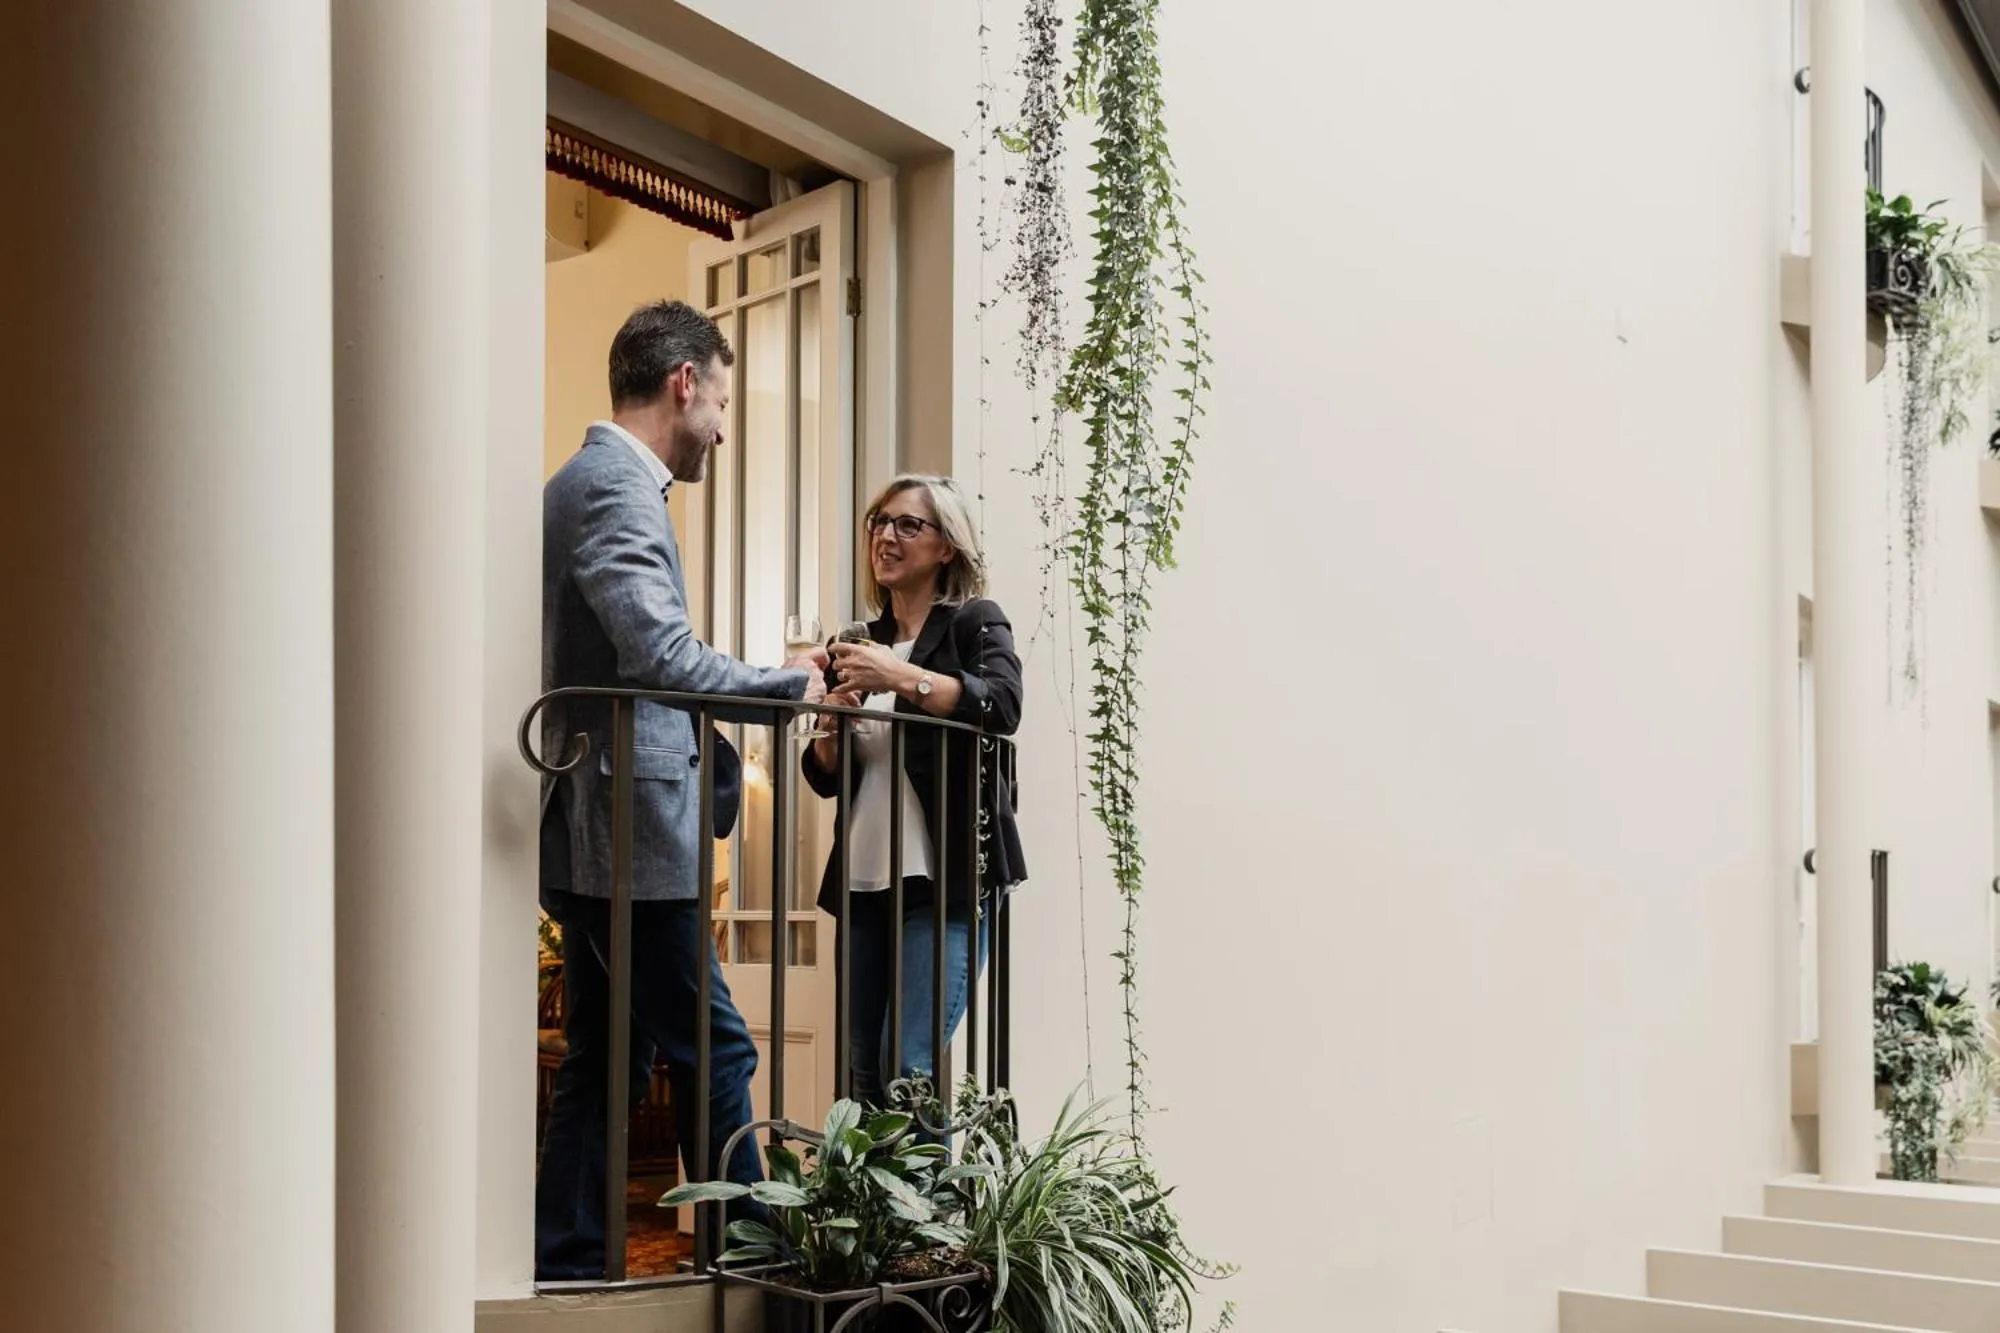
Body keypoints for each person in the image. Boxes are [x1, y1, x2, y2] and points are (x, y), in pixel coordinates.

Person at [536, 299, 827, 1281]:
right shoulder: (616, 487)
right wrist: (793, 686)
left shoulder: (588, 481)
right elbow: (658, 653)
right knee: (721, 1048)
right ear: (683, 383)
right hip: (624, 833)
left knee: (603, 1059)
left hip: (597, 826)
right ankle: (747, 1262)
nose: (720, 426)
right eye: (722, 402)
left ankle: (574, 1263)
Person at [803, 475, 1025, 1113]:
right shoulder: (856, 638)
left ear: (947, 546)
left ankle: (925, 1214)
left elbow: (1002, 704)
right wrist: (832, 722)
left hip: (946, 879)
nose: (886, 536)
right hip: (865, 881)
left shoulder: (973, 623)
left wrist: (898, 676)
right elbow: (826, 774)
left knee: (908, 1068)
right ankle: (876, 1216)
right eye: (879, 522)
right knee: (863, 1075)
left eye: (908, 525)